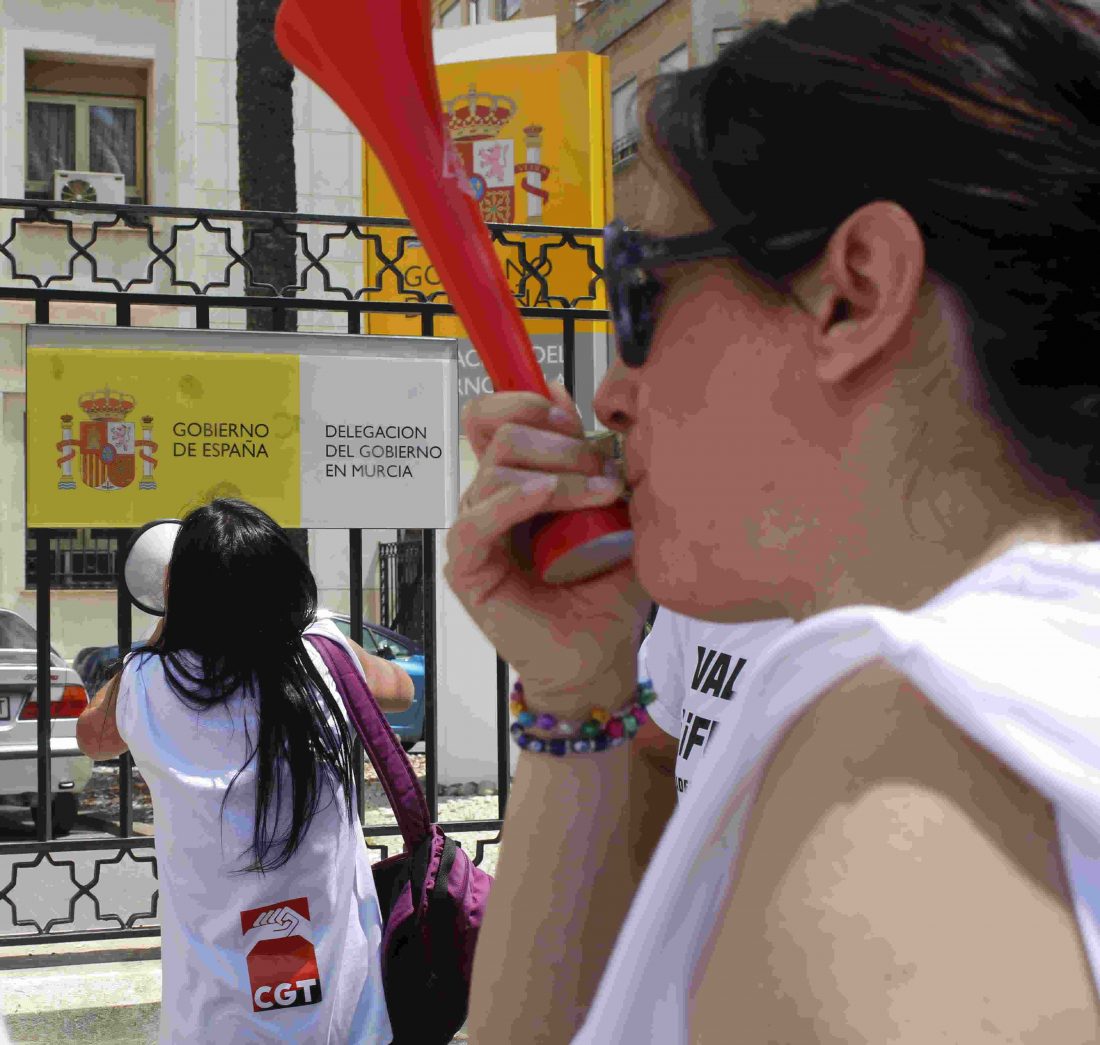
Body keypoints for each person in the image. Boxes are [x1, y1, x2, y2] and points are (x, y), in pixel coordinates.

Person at [444, 1, 1100, 1041]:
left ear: (854, 289)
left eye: (637, 290)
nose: (609, 393)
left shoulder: (901, 755)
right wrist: (582, 693)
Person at [77, 499, 413, 1043]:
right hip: (341, 1002)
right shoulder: (323, 656)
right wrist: (316, 626)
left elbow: (91, 738)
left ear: (176, 589)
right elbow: (402, 689)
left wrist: (163, 626)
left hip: (212, 1009)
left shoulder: (146, 682)